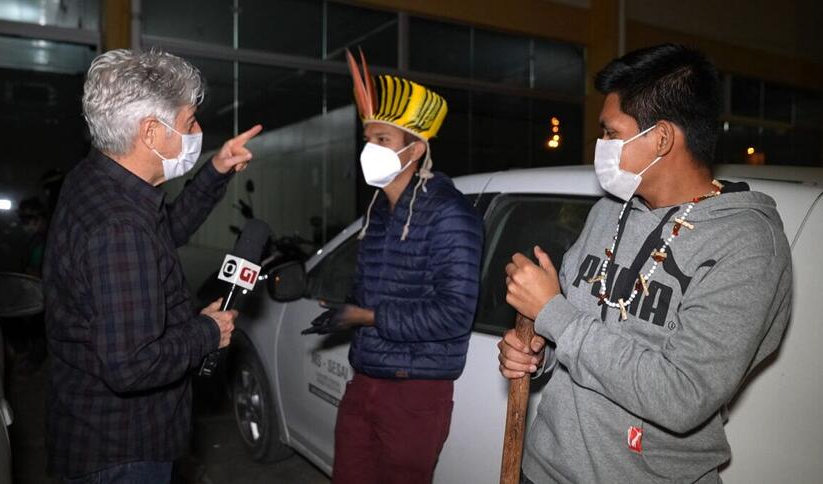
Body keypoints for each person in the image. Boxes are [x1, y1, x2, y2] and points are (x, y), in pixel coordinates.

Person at [498, 43, 792, 483]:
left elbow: (682, 395)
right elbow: (577, 333)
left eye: (611, 133)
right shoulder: (608, 211)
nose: (602, 145)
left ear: (662, 138)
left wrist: (553, 314)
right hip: (544, 471)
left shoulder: (747, 244)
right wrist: (538, 354)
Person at [43, 49, 263, 483]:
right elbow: (132, 365)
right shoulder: (120, 226)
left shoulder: (97, 179)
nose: (198, 131)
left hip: (91, 429)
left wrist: (215, 170)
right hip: (122, 450)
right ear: (149, 131)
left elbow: (165, 236)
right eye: (189, 123)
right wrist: (208, 331)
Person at [301, 50, 484, 483]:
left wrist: (367, 317)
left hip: (415, 390)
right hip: (366, 377)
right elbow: (372, 288)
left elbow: (456, 311)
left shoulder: (449, 214)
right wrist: (348, 307)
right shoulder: (379, 211)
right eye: (368, 139)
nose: (370, 149)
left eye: (382, 140)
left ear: (415, 149)